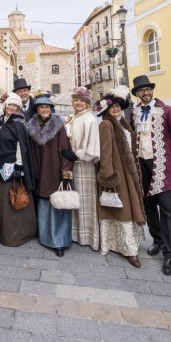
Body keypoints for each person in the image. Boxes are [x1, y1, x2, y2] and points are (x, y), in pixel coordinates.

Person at [130, 75, 171, 276]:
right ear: (136, 93)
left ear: (152, 91)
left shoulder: (166, 111)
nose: (145, 93)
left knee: (167, 207)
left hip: (161, 164)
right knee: (148, 205)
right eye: (141, 90)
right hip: (141, 164)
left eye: (148, 89)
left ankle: (170, 253)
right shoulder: (134, 112)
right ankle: (158, 240)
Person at [97, 88, 146, 268]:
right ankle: (128, 250)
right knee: (122, 208)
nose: (116, 109)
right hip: (117, 173)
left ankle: (129, 245)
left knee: (128, 206)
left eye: (118, 106)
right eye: (113, 107)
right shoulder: (106, 124)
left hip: (128, 171)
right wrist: (108, 175)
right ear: (106, 110)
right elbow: (105, 152)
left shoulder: (123, 122)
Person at [26, 93, 74, 257]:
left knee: (57, 204)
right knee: (44, 204)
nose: (44, 109)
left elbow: (64, 149)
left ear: (50, 109)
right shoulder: (32, 126)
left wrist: (65, 171)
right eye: (41, 107)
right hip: (39, 170)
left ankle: (59, 241)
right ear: (37, 110)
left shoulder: (58, 125)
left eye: (47, 107)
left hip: (54, 169)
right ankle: (45, 237)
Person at [0, 92, 37, 246]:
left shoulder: (18, 123)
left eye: (15, 105)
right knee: (4, 201)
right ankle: (6, 231)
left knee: (14, 200)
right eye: (9, 104)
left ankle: (16, 235)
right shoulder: (2, 121)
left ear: (18, 108)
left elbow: (21, 146)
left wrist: (18, 166)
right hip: (0, 166)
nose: (11, 107)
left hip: (11, 168)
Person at [64, 87, 100, 250]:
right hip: (72, 163)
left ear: (87, 103)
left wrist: (77, 155)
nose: (78, 103)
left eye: (81, 100)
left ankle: (87, 236)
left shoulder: (89, 119)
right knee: (74, 197)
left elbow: (92, 146)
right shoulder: (73, 118)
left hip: (83, 164)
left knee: (85, 200)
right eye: (76, 100)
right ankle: (74, 233)